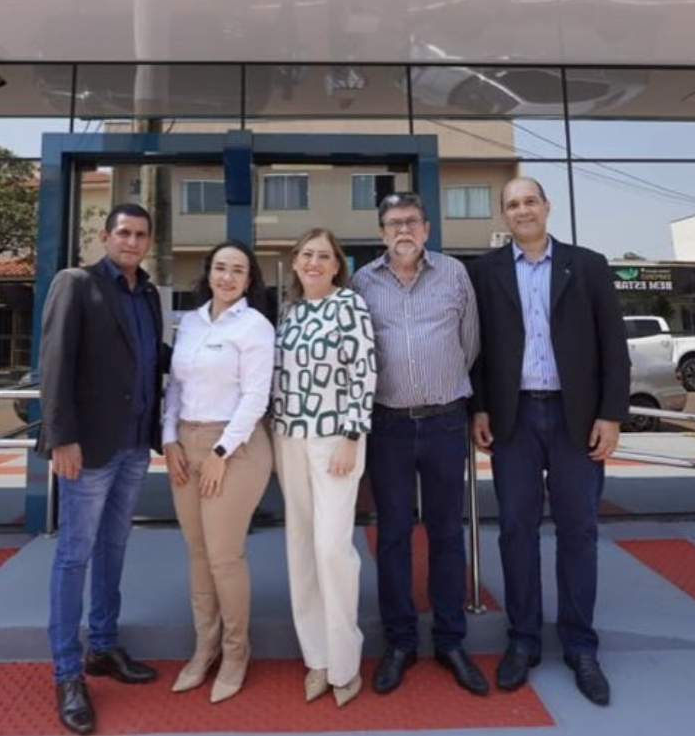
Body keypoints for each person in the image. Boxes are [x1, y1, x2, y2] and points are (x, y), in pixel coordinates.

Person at [467, 178, 629, 708]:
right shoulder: (484, 272)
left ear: (546, 207)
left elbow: (614, 346)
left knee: (578, 531)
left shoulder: (588, 265)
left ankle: (581, 645)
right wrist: (480, 407)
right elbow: (476, 350)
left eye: (530, 201)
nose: (522, 210)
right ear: (504, 215)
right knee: (516, 532)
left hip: (574, 419)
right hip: (513, 421)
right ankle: (523, 639)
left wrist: (611, 415)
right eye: (512, 204)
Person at [350, 192, 489, 698]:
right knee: (392, 534)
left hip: (445, 422)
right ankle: (401, 641)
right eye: (393, 223)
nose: (403, 230)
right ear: (381, 233)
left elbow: (470, 344)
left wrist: (443, 385)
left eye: (411, 221)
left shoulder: (454, 274)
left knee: (447, 532)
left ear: (427, 229)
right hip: (387, 425)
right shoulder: (362, 282)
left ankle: (450, 640)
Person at [39, 203, 164, 735]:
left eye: (140, 235)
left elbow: (152, 358)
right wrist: (60, 438)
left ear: (149, 241)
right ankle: (67, 673)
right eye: (123, 233)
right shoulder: (76, 284)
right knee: (74, 556)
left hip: (135, 446)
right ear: (104, 235)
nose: (132, 242)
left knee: (115, 548)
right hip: (87, 448)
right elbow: (54, 362)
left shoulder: (148, 293)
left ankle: (104, 648)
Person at [162, 240, 276, 704]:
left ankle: (235, 650)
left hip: (236, 447)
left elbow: (256, 397)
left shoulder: (255, 326)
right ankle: (204, 646)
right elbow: (175, 386)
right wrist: (168, 438)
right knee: (197, 552)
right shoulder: (190, 322)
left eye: (238, 271)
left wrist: (220, 451)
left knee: (224, 556)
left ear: (249, 280)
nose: (227, 277)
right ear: (208, 272)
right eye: (221, 268)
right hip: (185, 442)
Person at [271, 228, 377, 709]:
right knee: (300, 547)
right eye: (307, 254)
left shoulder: (349, 306)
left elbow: (364, 372)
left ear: (337, 265)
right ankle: (316, 657)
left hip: (336, 439)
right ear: (295, 261)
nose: (314, 262)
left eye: (324, 256)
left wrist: (352, 436)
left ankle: (345, 662)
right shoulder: (289, 312)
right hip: (288, 438)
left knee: (332, 549)